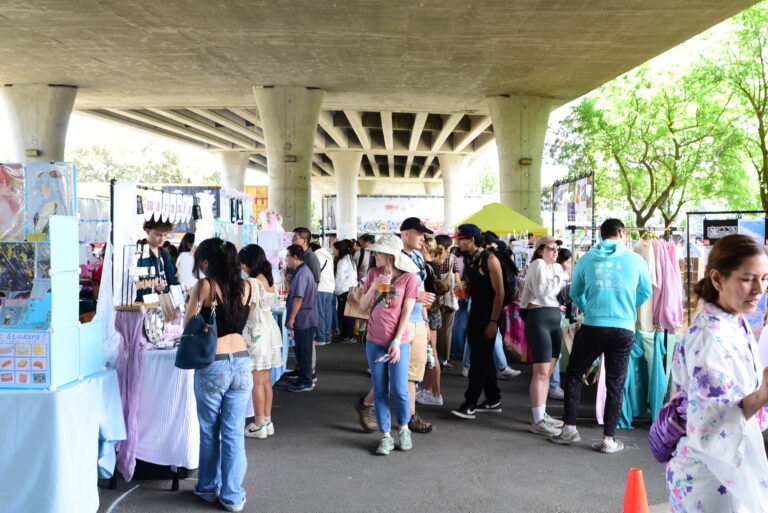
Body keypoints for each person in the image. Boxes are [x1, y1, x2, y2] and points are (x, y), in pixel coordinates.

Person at [664, 234, 768, 513]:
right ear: (718, 279)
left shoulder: (733, 321)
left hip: (727, 467)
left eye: (765, 277)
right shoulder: (711, 336)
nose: (759, 288)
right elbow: (711, 419)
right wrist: (763, 395)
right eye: (748, 279)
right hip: (710, 477)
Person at [550, 218, 652, 453]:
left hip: (594, 325)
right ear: (622, 232)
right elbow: (646, 290)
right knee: (615, 382)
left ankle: (569, 429)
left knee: (575, 373)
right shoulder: (636, 259)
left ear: (601, 234)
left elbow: (574, 293)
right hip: (624, 328)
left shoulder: (586, 259)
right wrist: (628, 308)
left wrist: (589, 309)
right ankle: (608, 439)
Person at [185, 238, 253, 512]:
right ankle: (233, 496)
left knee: (210, 430)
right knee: (234, 432)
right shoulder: (247, 287)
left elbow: (188, 325)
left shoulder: (204, 287)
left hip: (214, 364)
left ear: (205, 261)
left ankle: (208, 487)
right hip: (242, 363)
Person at [359, 234, 420, 455]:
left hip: (398, 342)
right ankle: (385, 435)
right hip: (374, 341)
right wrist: (374, 286)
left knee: (400, 390)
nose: (374, 255)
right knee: (381, 390)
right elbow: (363, 305)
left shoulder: (409, 278)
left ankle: (404, 428)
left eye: (377, 252)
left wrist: (396, 340)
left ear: (389, 254)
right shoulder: (374, 274)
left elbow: (406, 312)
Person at [451, 223, 506, 420]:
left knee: (479, 360)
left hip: (487, 316)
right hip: (476, 313)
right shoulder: (471, 259)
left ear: (471, 240)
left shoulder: (489, 259)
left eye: (461, 240)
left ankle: (470, 403)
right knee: (483, 356)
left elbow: (500, 292)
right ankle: (493, 399)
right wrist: (465, 289)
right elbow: (476, 286)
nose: (459, 243)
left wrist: (493, 321)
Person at [519, 236, 567, 436]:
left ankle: (542, 412)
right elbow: (542, 290)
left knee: (547, 372)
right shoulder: (538, 264)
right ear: (540, 250)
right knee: (540, 371)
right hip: (539, 317)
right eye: (551, 248)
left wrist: (559, 276)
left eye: (557, 249)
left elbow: (552, 292)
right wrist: (561, 277)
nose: (555, 251)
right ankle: (538, 419)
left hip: (553, 317)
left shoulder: (555, 268)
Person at [239, 244, 283, 439]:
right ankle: (267, 420)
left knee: (256, 381)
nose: (241, 267)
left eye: (242, 264)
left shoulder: (251, 282)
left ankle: (258, 424)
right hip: (270, 330)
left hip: (255, 331)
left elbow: (243, 308)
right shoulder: (269, 280)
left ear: (249, 263)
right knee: (266, 381)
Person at [399, 217, 437, 433]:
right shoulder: (394, 257)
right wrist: (415, 295)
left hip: (417, 323)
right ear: (405, 234)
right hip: (399, 323)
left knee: (412, 374)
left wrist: (425, 322)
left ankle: (411, 416)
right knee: (391, 375)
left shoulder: (419, 258)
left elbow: (421, 293)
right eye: (419, 233)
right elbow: (385, 293)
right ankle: (368, 403)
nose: (423, 238)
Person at [284, 244, 318, 392]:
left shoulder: (302, 273)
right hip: (304, 317)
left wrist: (291, 318)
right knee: (301, 349)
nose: (286, 259)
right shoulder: (300, 272)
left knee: (304, 351)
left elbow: (298, 298)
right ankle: (303, 375)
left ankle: (306, 380)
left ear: (295, 257)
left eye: (287, 256)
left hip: (304, 317)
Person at [416, 236, 444, 406]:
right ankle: (429, 390)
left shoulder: (425, 266)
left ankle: (435, 392)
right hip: (433, 311)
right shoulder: (433, 264)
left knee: (431, 354)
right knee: (430, 353)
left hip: (428, 312)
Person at [549, 247, 574, 400]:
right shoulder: (556, 273)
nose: (570, 265)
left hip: (558, 314)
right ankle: (554, 385)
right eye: (568, 262)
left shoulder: (562, 274)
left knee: (555, 351)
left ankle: (553, 384)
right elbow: (548, 293)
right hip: (554, 314)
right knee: (554, 351)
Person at [136, 219, 179, 301]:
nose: (162, 239)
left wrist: (179, 288)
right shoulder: (139, 255)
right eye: (158, 235)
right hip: (147, 307)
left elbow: (173, 279)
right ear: (147, 231)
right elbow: (133, 284)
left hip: (165, 303)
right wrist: (152, 287)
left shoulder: (165, 255)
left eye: (165, 235)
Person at [435, 234, 461, 368]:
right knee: (446, 330)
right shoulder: (452, 258)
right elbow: (457, 280)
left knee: (434, 329)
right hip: (449, 299)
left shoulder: (432, 258)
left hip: (433, 299)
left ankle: (432, 356)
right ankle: (444, 359)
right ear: (449, 246)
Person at [310, 242, 335, 346]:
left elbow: (315, 273)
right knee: (327, 313)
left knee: (319, 313)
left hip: (321, 287)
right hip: (330, 288)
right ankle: (327, 336)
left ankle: (320, 338)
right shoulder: (328, 257)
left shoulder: (316, 256)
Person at [333, 239, 358, 343]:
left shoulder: (342, 261)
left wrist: (335, 290)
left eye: (334, 249)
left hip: (344, 290)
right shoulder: (350, 258)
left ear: (339, 249)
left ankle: (347, 336)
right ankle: (347, 335)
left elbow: (339, 278)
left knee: (345, 314)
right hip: (351, 289)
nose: (333, 251)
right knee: (349, 314)